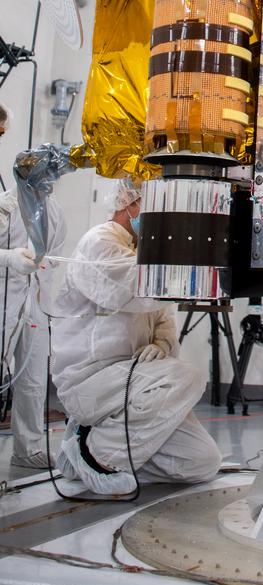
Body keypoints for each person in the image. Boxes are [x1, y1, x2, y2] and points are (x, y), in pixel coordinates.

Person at [51, 177, 220, 496]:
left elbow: (164, 317)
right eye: (154, 203)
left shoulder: (142, 250)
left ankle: (85, 450)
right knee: (188, 377)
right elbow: (136, 288)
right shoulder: (99, 242)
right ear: (129, 203)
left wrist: (161, 344)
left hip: (135, 382)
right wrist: (198, 264)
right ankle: (96, 455)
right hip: (92, 380)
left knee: (202, 461)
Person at [0, 103, 67, 469]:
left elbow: (55, 250)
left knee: (33, 378)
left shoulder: (52, 209)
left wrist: (44, 264)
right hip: (4, 299)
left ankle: (27, 449)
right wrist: (11, 258)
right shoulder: (6, 206)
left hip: (36, 302)